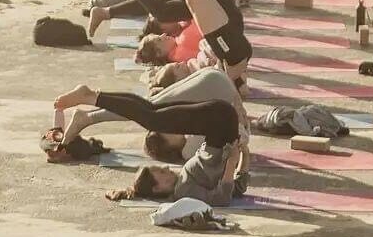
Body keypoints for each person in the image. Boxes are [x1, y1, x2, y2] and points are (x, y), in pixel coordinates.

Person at [53, 83, 246, 205]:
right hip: (220, 124)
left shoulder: (184, 185)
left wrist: (235, 159)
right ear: (157, 188)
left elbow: (231, 189)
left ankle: (92, 96)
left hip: (219, 125)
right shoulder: (184, 191)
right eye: (161, 172)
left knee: (151, 110)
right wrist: (239, 159)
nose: (166, 168)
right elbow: (224, 196)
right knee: (152, 118)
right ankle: (91, 97)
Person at [57, 67, 250, 165]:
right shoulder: (190, 149)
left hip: (218, 87)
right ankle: (89, 108)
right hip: (219, 89)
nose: (164, 130)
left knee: (150, 109)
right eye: (160, 134)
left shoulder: (189, 149)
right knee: (151, 112)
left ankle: (90, 108)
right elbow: (239, 139)